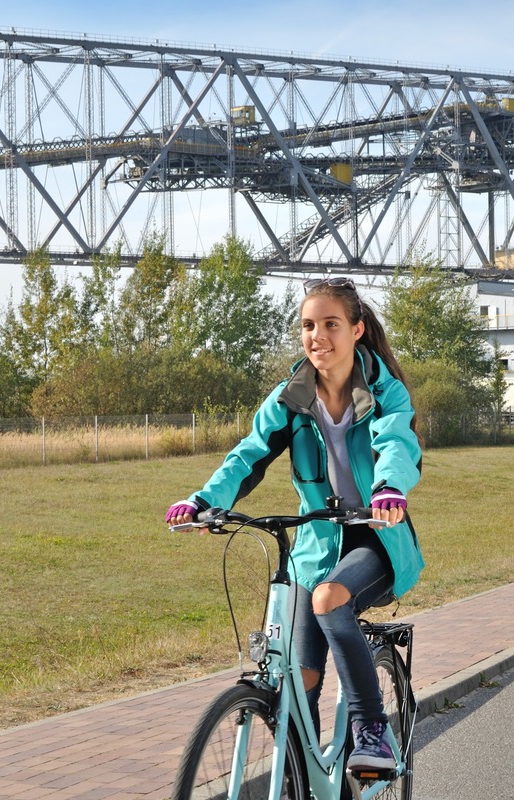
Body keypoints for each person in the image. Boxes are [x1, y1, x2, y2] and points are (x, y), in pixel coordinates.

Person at [165, 276, 422, 772]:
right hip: (316, 544)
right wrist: (203, 501)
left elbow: (396, 443)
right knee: (298, 679)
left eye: (330, 324)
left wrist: (389, 488)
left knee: (329, 599)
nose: (317, 336)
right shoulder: (291, 397)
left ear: (356, 330)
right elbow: (249, 454)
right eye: (308, 326)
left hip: (376, 535)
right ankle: (305, 780)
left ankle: (372, 729)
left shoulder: (383, 392)